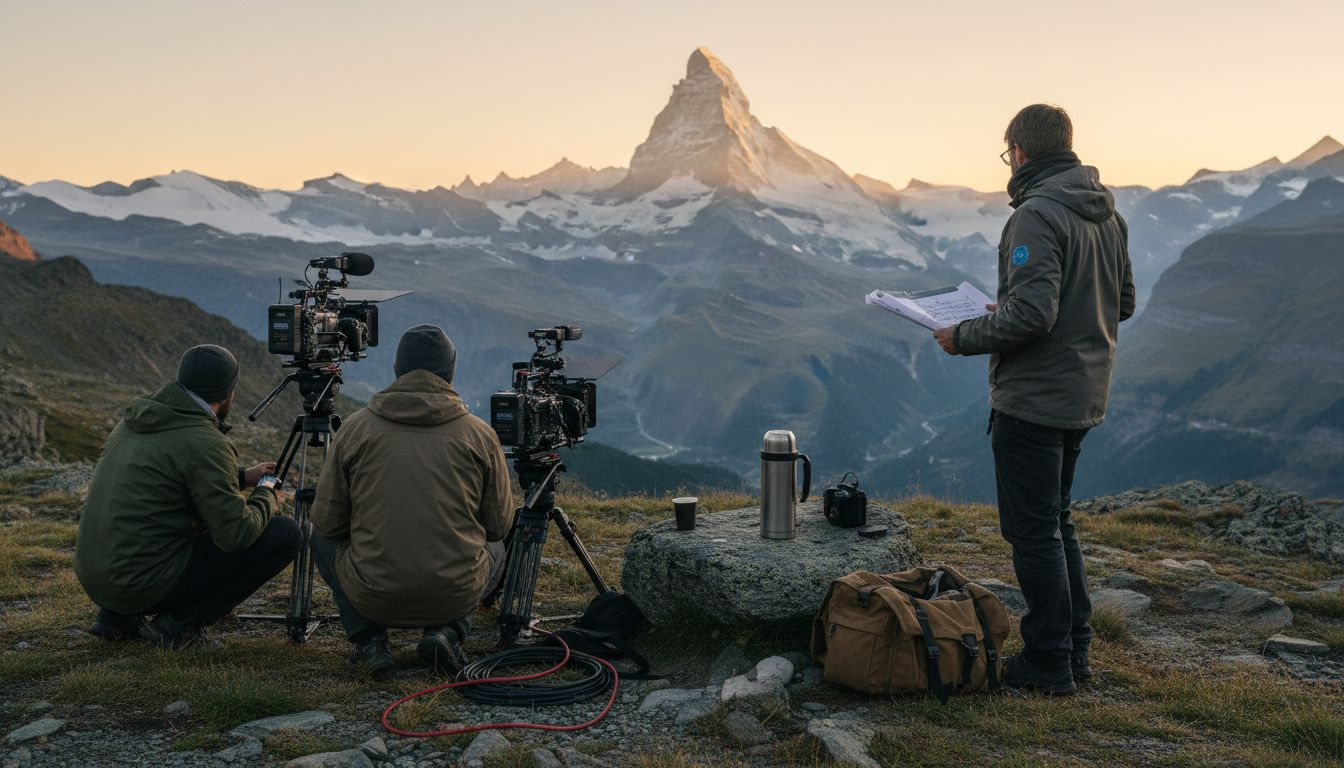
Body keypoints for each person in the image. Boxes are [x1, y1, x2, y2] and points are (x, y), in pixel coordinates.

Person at [932, 104, 1135, 694]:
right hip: (1083, 393)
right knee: (1057, 522)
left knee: (1032, 531)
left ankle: (1047, 661)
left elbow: (1037, 315)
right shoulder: (1106, 214)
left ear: (1019, 152)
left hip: (1034, 398)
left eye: (1007, 154)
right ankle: (1074, 653)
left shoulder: (1037, 215)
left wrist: (963, 334)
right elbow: (1119, 302)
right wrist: (1023, 310)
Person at [310, 324, 512, 677]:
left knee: (319, 536)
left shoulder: (356, 429)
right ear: (450, 372)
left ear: (397, 370)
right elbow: (498, 525)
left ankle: (370, 642)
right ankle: (446, 632)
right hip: (453, 593)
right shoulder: (480, 434)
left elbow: (328, 522)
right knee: (495, 545)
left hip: (372, 592)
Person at [75, 344, 298, 648]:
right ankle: (178, 626)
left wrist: (243, 477)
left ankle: (116, 618)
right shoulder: (205, 442)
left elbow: (172, 477)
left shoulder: (137, 419)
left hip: (98, 577)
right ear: (229, 392)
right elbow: (236, 535)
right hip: (139, 583)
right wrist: (267, 494)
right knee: (285, 534)